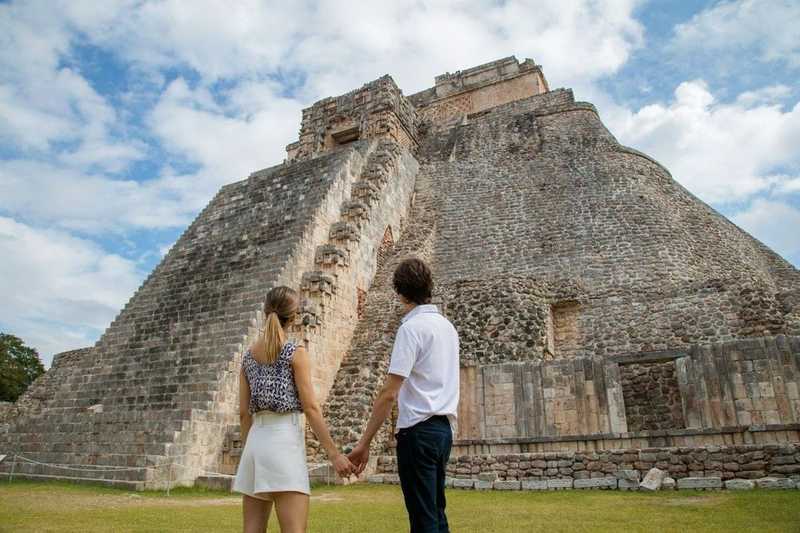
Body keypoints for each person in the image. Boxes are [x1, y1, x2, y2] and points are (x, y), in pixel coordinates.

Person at [349, 257, 460, 533]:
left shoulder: (411, 329)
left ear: (399, 292)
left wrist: (364, 443)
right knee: (435, 512)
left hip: (418, 431)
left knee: (423, 519)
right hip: (443, 430)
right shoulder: (448, 328)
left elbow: (389, 393)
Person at [233, 286, 354, 533]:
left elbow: (244, 414)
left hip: (256, 443)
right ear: (295, 316)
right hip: (284, 443)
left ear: (265, 311)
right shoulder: (294, 352)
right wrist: (334, 454)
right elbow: (310, 407)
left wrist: (249, 451)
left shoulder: (248, 357)